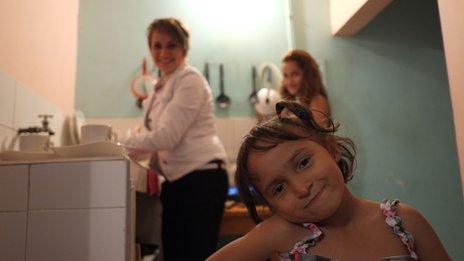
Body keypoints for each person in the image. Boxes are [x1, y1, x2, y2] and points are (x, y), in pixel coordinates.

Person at [207, 101, 450, 261]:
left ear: (332, 149)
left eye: (303, 163)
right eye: (279, 189)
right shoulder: (283, 234)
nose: (301, 188)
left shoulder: (404, 223)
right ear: (272, 206)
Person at [120, 17, 229, 261]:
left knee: (194, 255)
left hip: (202, 178)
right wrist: (117, 152)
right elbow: (151, 139)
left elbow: (167, 137)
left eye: (171, 45)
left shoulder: (190, 80)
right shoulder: (161, 87)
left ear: (184, 48)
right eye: (157, 46)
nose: (163, 52)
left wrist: (118, 144)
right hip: (178, 182)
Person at [280, 49, 331, 123]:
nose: (289, 81)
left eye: (295, 74)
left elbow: (316, 134)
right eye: (285, 75)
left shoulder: (318, 101)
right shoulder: (291, 104)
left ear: (308, 74)